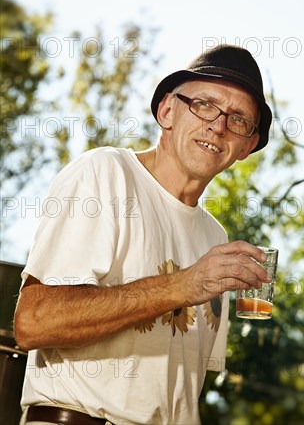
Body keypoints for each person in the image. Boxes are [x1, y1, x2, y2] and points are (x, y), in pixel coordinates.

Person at [14, 44, 272, 425]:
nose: (217, 125)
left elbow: (174, 391)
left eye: (238, 120)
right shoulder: (106, 173)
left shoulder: (217, 240)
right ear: (167, 110)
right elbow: (34, 322)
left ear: (247, 145)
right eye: (204, 104)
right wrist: (182, 285)